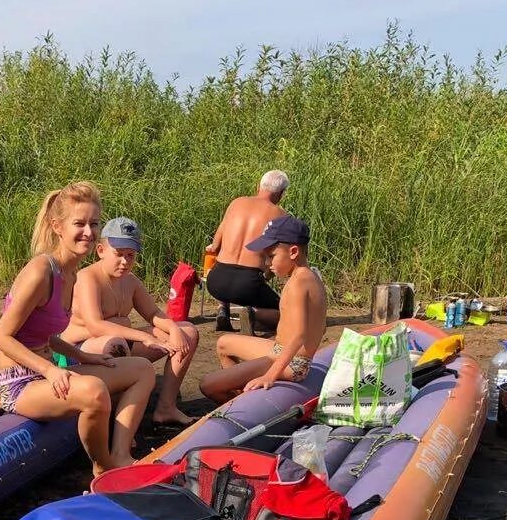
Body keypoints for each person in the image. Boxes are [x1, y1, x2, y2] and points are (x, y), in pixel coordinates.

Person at [0, 183, 156, 476]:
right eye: (79, 223)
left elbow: (45, 336)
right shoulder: (41, 271)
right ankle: (103, 467)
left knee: (142, 368)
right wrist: (51, 370)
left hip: (46, 370)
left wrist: (86, 358)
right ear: (57, 226)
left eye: (94, 224)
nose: (88, 232)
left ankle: (121, 453)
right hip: (19, 384)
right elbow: (1, 337)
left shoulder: (70, 274)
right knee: (94, 391)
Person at [61, 217, 200, 426]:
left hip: (121, 346)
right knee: (115, 343)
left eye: (130, 255)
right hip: (80, 352)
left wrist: (173, 329)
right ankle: (115, 419)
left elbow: (153, 313)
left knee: (188, 331)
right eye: (118, 254)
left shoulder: (131, 282)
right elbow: (95, 325)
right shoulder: (87, 278)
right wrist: (145, 337)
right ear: (100, 250)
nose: (125, 261)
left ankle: (166, 407)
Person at [200, 214, 326, 403]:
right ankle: (243, 397)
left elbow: (299, 335)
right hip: (280, 350)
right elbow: (319, 327)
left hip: (293, 363)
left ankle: (243, 404)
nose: (267, 264)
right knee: (224, 343)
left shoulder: (299, 282)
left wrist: (270, 375)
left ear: (293, 252)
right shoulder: (309, 276)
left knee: (208, 385)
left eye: (271, 256)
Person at [205, 170, 289, 334]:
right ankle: (253, 314)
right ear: (281, 194)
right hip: (248, 284)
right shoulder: (280, 215)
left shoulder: (236, 203)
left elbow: (214, 247)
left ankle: (223, 308)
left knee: (228, 274)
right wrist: (266, 275)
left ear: (258, 186)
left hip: (216, 281)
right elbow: (279, 260)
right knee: (287, 315)